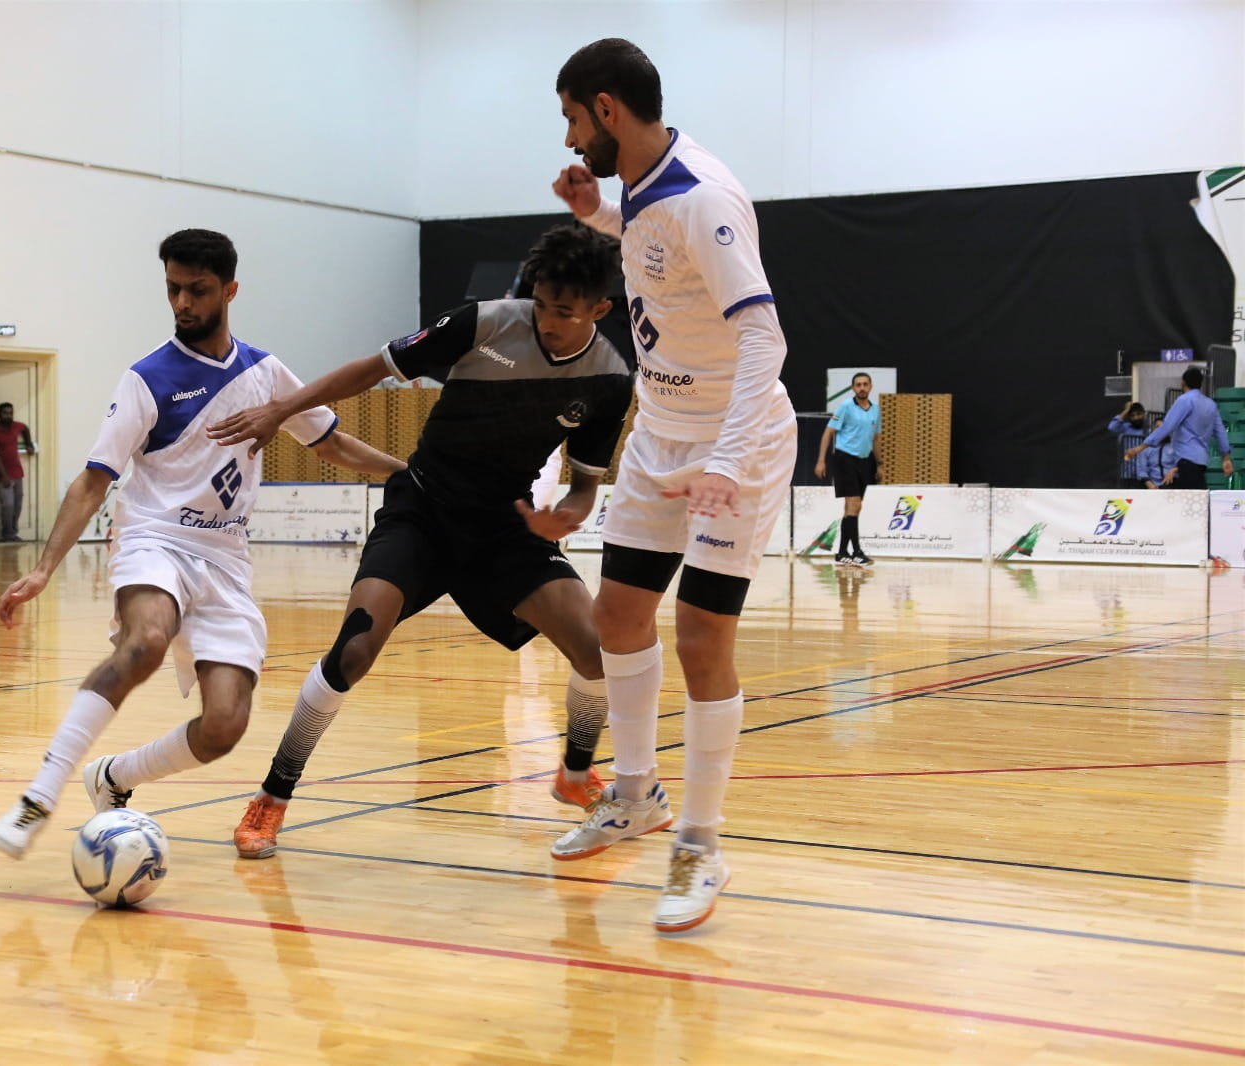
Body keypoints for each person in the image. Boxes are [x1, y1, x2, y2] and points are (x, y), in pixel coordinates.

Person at [203, 222, 634, 859]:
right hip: (423, 509)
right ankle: (272, 797)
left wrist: (566, 516)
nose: (546, 320)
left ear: (600, 309)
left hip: (503, 531)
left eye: (564, 312)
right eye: (540, 302)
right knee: (353, 649)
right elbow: (369, 369)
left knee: (598, 647)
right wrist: (280, 409)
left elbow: (583, 486)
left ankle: (574, 774)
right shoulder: (483, 323)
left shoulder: (609, 379)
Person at [0, 228, 405, 859]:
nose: (183, 302)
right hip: (154, 537)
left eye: (197, 290)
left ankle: (116, 776)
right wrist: (44, 569)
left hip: (226, 560)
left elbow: (333, 442)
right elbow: (94, 479)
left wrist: (409, 474)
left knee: (224, 727)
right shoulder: (146, 378)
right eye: (173, 289)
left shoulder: (265, 373)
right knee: (146, 640)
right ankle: (39, 795)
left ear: (230, 290)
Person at [549, 38, 798, 933]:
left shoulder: (705, 196)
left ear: (608, 109)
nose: (573, 140)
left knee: (699, 636)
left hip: (738, 440)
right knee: (618, 616)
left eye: (576, 120)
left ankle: (700, 840)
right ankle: (634, 793)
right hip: (660, 430)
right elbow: (660, 261)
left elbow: (765, 338)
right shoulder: (645, 192)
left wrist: (727, 458)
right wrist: (597, 217)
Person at [1126, 367, 1232, 489]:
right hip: (1202, 460)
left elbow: (1167, 427)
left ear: (1183, 382)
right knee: (1196, 497)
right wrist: (1226, 458)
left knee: (1190, 501)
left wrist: (1139, 448)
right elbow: (1221, 432)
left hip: (1186, 459)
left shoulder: (1184, 400)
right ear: (1201, 384)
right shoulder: (1211, 404)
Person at [814, 371, 880, 565]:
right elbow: (828, 433)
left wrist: (881, 463)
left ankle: (842, 552)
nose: (862, 387)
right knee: (854, 505)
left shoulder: (875, 409)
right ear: (853, 388)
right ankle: (857, 552)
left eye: (865, 384)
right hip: (845, 459)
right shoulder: (845, 407)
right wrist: (821, 460)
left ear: (870, 386)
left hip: (864, 461)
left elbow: (875, 438)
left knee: (852, 509)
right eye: (858, 384)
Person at [0, 402, 35, 541]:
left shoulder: (16, 426)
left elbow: (25, 429)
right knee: (8, 504)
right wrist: (4, 476)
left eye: (10, 413)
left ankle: (13, 532)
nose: (8, 416)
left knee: (18, 504)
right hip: (3, 475)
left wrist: (29, 444)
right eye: (5, 413)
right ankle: (7, 534)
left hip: (17, 472)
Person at [1107, 401, 1149, 489]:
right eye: (1132, 416)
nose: (1136, 417)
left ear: (1144, 414)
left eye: (1138, 414)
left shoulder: (1150, 429)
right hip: (1128, 473)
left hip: (1146, 475)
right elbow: (1111, 427)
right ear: (1129, 417)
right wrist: (1126, 411)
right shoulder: (1126, 427)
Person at [1136, 413, 1176, 489]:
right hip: (1151, 484)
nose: (1160, 431)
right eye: (1157, 427)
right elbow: (1142, 470)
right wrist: (1149, 484)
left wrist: (1174, 470)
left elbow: (1182, 465)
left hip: (1171, 484)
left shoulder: (1175, 446)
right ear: (1153, 429)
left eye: (1163, 428)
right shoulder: (1145, 448)